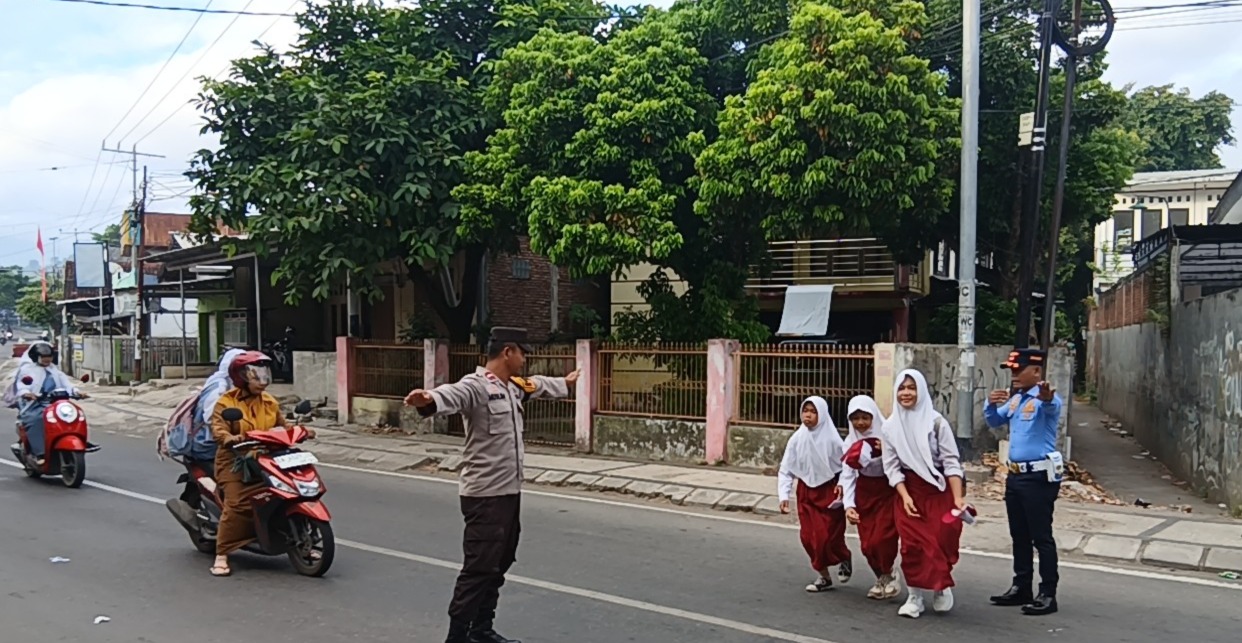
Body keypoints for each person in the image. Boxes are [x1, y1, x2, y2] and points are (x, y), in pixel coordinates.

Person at [405, 327, 579, 643]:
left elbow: (537, 384)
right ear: (508, 352)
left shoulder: (512, 387)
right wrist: (428, 399)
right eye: (522, 352)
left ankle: (481, 630)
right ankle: (457, 636)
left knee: (500, 562)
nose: (525, 359)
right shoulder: (477, 386)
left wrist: (565, 383)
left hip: (509, 492)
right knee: (479, 568)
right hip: (484, 496)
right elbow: (451, 394)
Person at [985, 348, 1064, 616]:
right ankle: (1021, 586)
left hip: (1038, 477)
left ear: (1037, 371)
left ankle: (1048, 593)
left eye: (1019, 370)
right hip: (1015, 475)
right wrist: (990, 403)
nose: (1014, 375)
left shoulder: (1046, 399)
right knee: (1019, 534)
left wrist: (1047, 398)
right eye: (1012, 370)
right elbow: (994, 420)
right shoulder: (1017, 399)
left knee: (1041, 536)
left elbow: (1052, 408)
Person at [882, 369, 966, 619]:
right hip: (909, 492)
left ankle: (941, 586)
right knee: (912, 546)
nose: (906, 393)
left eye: (911, 388)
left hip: (938, 490)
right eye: (901, 388)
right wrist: (905, 496)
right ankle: (915, 597)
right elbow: (891, 466)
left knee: (941, 539)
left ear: (920, 391)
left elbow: (951, 462)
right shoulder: (889, 427)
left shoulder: (937, 423)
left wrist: (958, 498)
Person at [208, 351, 287, 577]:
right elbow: (218, 429)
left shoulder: (270, 402)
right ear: (241, 377)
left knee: (285, 494)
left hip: (267, 457)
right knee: (237, 504)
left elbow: (283, 425)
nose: (261, 380)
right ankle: (222, 553)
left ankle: (295, 540)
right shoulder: (226, 402)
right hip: (234, 460)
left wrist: (301, 431)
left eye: (264, 373)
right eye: (255, 374)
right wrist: (230, 438)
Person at [777, 396, 852, 592]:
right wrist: (784, 495)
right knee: (808, 538)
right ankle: (824, 576)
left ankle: (844, 556)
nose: (808, 415)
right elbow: (786, 468)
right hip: (806, 493)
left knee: (827, 537)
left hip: (829, 492)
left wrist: (842, 485)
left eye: (813, 411)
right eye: (805, 411)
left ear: (822, 414)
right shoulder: (797, 439)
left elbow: (846, 467)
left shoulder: (833, 440)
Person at [839, 395, 900, 600]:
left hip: (887, 491)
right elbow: (848, 475)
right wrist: (849, 505)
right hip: (864, 494)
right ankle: (882, 577)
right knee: (867, 545)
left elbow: (903, 461)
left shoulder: (888, 435)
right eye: (855, 419)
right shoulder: (850, 443)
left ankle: (889, 572)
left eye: (865, 417)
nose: (861, 423)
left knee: (883, 538)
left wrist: (888, 450)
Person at [11, 342, 87, 466]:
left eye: (49, 356)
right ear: (36, 357)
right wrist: (26, 393)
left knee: (75, 414)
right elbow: (22, 385)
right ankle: (39, 453)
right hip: (34, 404)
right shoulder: (27, 371)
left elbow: (67, 384)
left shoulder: (54, 370)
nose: (47, 359)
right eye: (43, 357)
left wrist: (77, 392)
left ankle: (79, 439)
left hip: (55, 403)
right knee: (37, 419)